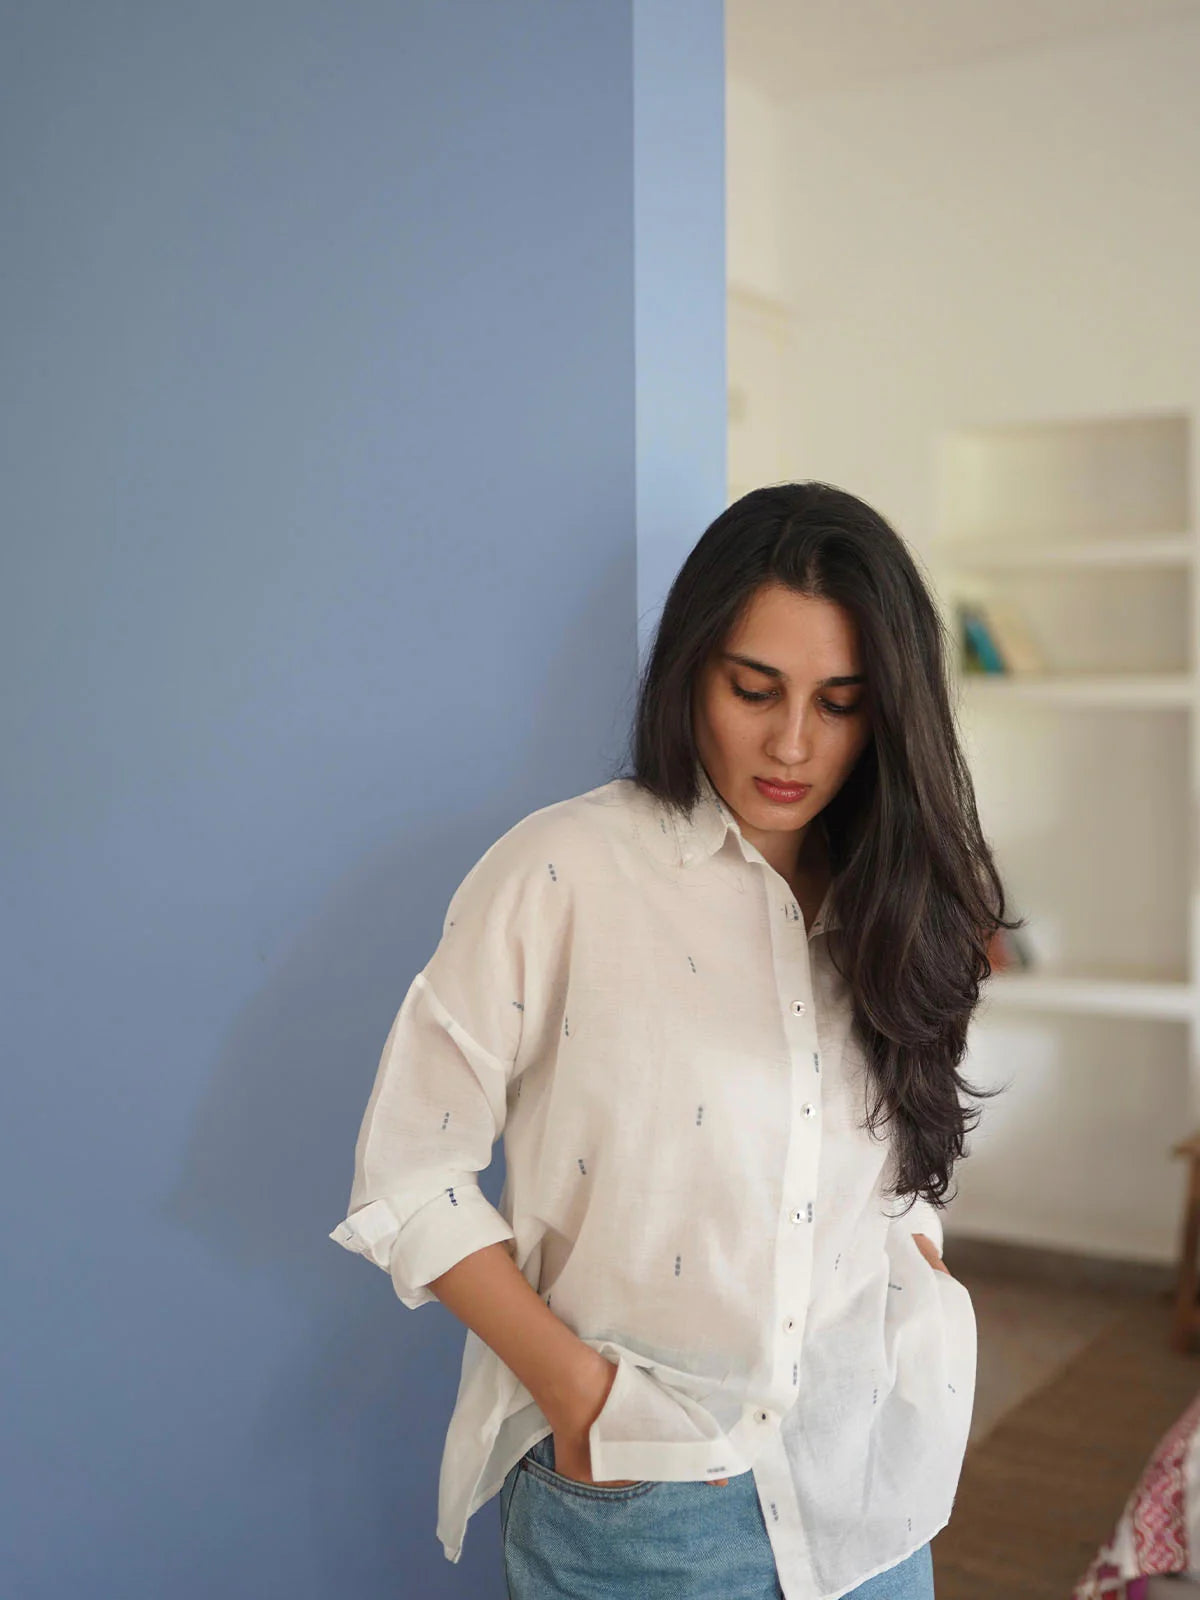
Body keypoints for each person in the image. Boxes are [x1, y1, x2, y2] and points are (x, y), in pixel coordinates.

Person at [328, 481, 1015, 1599]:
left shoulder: (900, 896)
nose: (793, 742)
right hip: (641, 1503)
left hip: (867, 1493)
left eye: (841, 703)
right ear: (693, 669)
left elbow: (896, 1155)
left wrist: (915, 1264)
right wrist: (584, 1398)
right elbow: (408, 1170)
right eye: (755, 689)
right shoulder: (562, 871)